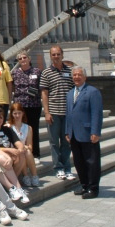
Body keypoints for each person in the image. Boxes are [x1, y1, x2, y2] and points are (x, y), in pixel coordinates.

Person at [66, 67, 103, 198]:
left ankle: (93, 188)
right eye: (74, 75)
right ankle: (84, 185)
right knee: (79, 162)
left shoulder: (93, 92)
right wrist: (67, 131)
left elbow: (96, 113)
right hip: (74, 134)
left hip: (88, 134)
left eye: (79, 75)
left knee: (92, 162)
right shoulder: (70, 93)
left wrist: (95, 132)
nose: (76, 77)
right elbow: (69, 114)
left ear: (85, 77)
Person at [40, 45, 75, 180]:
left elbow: (73, 91)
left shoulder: (69, 71)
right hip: (54, 112)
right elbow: (44, 93)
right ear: (50, 56)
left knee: (67, 142)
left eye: (58, 54)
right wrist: (47, 112)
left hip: (67, 113)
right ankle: (58, 168)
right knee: (54, 142)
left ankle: (67, 167)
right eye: (53, 54)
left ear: (62, 55)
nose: (56, 56)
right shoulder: (46, 72)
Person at [0, 106, 30, 204]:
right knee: (4, 157)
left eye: (1, 118)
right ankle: (15, 186)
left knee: (22, 154)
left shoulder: (7, 129)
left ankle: (13, 186)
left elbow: (18, 143)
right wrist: (8, 150)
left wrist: (19, 149)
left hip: (8, 157)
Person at [11, 52, 42, 162]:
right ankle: (20, 151)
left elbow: (41, 87)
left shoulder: (37, 72)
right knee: (19, 129)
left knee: (33, 129)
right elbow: (12, 88)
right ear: (18, 61)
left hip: (34, 105)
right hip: (20, 106)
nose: (23, 59)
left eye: (25, 57)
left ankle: (35, 154)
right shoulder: (14, 73)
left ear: (29, 58)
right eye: (20, 58)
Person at [8, 103, 40, 188]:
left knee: (28, 152)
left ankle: (34, 176)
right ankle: (25, 176)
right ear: (11, 114)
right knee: (22, 152)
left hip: (24, 151)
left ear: (23, 113)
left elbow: (30, 146)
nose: (17, 115)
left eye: (19, 113)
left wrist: (25, 147)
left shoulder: (28, 128)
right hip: (13, 151)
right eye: (15, 113)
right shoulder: (8, 126)